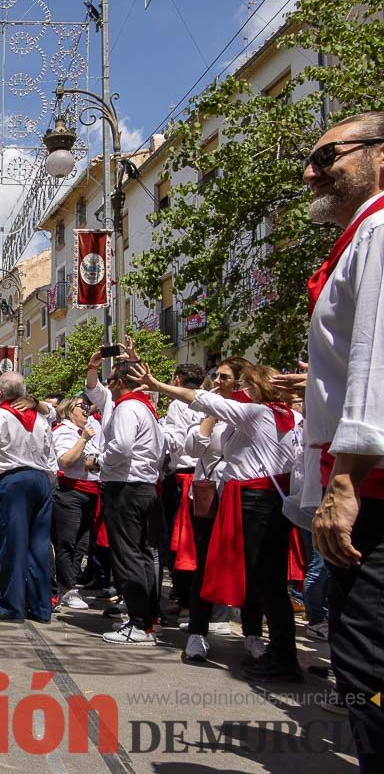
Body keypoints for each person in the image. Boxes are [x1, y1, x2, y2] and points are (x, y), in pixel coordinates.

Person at [289, 111, 384, 770]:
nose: (311, 171)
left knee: (364, 656)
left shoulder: (377, 231)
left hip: (372, 486)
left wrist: (345, 482)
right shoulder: (363, 237)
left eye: (327, 156)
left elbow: (377, 361)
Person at [134, 363, 302, 680]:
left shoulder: (253, 413)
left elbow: (196, 397)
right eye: (223, 378)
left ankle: (277, 654)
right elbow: (195, 442)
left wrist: (159, 385)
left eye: (236, 380)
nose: (227, 383)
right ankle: (222, 638)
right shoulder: (283, 414)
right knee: (248, 575)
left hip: (250, 501)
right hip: (230, 499)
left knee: (263, 580)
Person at [84, 352, 165, 646]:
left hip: (127, 486)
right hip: (143, 485)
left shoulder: (128, 407)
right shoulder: (146, 409)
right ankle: (147, 618)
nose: (108, 385)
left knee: (128, 555)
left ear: (119, 382)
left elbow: (121, 446)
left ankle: (140, 623)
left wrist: (97, 460)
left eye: (110, 381)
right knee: (142, 554)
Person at [177, 358, 251, 663]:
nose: (217, 381)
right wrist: (211, 411)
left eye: (224, 377)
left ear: (240, 381)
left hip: (241, 495)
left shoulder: (250, 411)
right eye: (215, 376)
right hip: (209, 496)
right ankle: (197, 633)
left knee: (248, 565)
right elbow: (192, 448)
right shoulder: (212, 412)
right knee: (204, 564)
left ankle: (253, 634)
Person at [0, 373, 56, 622]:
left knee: (12, 545)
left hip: (11, 482)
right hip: (39, 479)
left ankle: (11, 605)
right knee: (39, 546)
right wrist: (50, 481)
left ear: (0, 392)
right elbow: (50, 452)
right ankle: (40, 607)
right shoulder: (40, 418)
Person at [159, 363, 205, 612]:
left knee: (180, 540)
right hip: (206, 476)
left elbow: (177, 443)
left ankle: (185, 596)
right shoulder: (210, 400)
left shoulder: (178, 404)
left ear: (177, 381)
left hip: (184, 477)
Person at [50, 395, 100, 611]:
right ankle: (66, 588)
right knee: (66, 541)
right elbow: (65, 461)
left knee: (82, 542)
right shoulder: (64, 431)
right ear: (70, 410)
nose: (86, 410)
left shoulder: (89, 429)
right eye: (82, 406)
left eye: (88, 406)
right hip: (69, 491)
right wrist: (83, 441)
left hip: (90, 491)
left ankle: (70, 582)